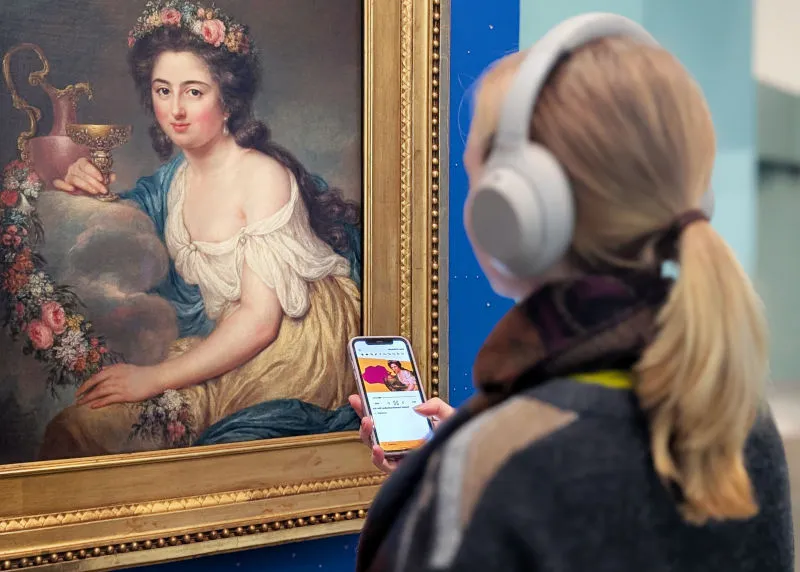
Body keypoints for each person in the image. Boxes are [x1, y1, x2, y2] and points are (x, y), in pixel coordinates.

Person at [351, 13, 794, 571]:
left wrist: (461, 472)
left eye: (474, 179)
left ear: (512, 213)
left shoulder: (492, 470)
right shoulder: (733, 410)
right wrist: (469, 451)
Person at [38, 0, 362, 458]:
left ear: (226, 99)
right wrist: (82, 182)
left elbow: (261, 321)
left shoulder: (261, 176)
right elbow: (123, 225)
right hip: (230, 337)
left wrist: (151, 377)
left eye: (193, 92)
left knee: (220, 453)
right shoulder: (171, 183)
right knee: (81, 429)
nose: (176, 110)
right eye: (162, 90)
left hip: (294, 348)